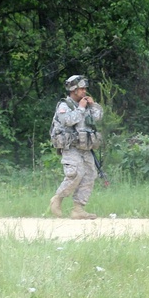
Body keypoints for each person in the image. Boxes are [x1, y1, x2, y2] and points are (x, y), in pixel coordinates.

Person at [49, 75, 104, 220]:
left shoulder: (85, 105)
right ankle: (58, 199)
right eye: (81, 89)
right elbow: (67, 120)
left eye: (85, 88)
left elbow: (98, 117)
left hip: (85, 147)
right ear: (73, 89)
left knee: (89, 175)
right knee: (75, 173)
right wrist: (81, 108)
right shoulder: (64, 105)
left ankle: (78, 209)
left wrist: (93, 105)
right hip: (71, 146)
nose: (84, 91)